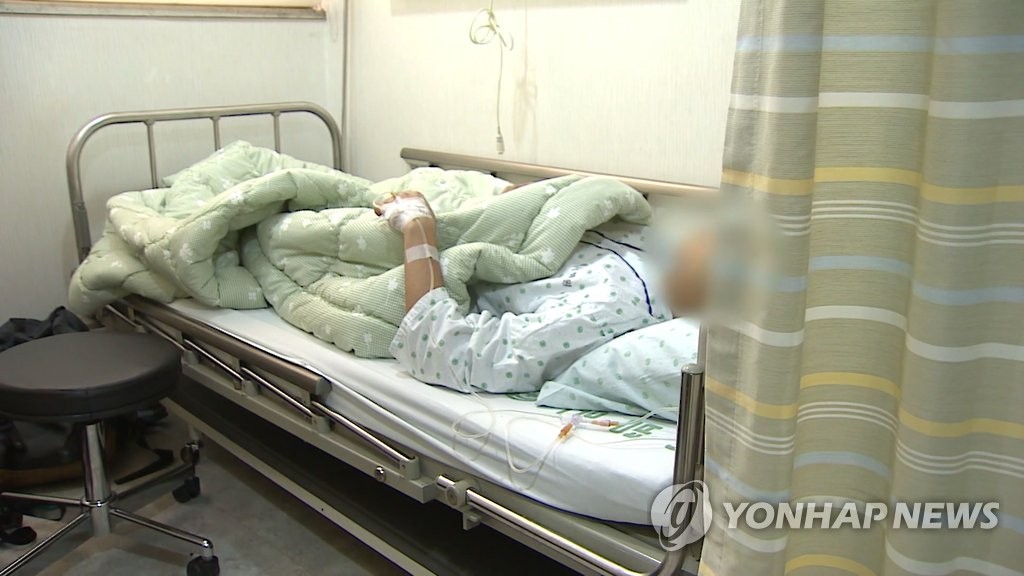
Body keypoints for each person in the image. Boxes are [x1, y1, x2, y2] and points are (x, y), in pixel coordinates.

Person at [375, 190, 710, 394]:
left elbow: (442, 348)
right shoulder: (656, 243)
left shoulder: (608, 311)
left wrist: (418, 228)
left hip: (413, 251)